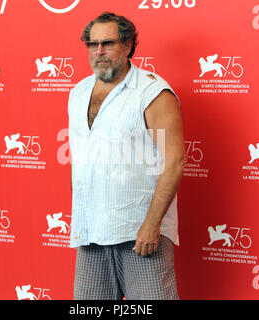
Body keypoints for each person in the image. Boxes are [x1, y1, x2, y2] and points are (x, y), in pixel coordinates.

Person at [68, 12, 185, 300]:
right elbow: (81, 160)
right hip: (91, 231)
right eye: (92, 44)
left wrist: (152, 223)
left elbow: (174, 161)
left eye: (107, 43)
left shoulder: (153, 92)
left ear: (129, 44)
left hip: (139, 233)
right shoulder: (78, 93)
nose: (99, 52)